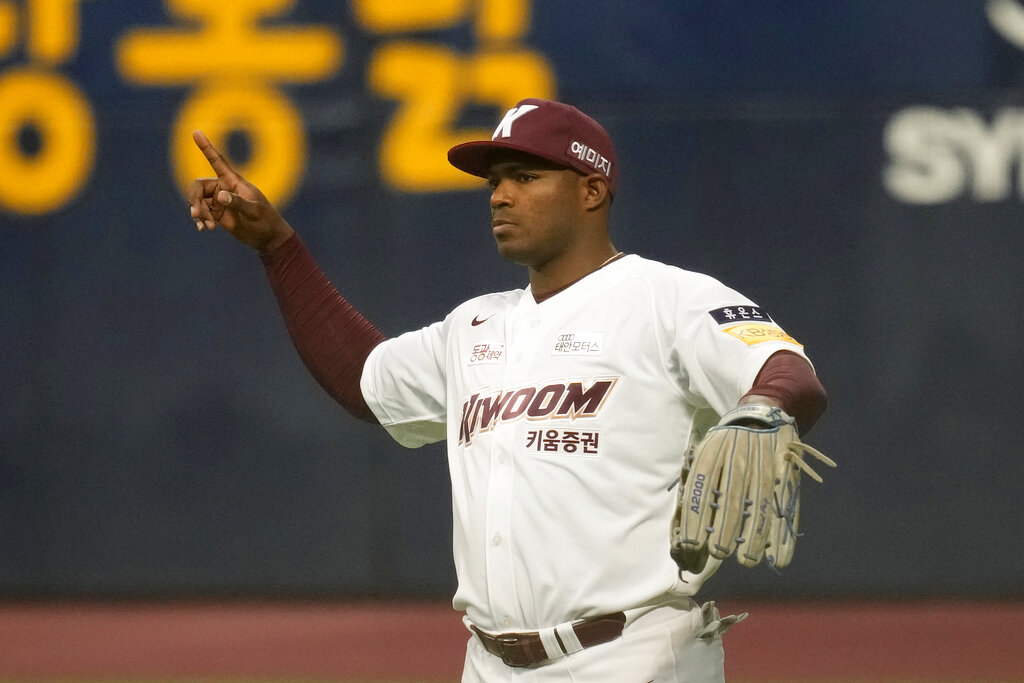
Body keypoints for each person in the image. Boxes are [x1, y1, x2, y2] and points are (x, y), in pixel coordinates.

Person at [188, 98, 827, 682]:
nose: (499, 197)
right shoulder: (475, 325)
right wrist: (278, 245)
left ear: (592, 191)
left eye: (525, 177)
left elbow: (785, 368)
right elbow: (365, 381)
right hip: (489, 664)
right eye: (494, 182)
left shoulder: (665, 298)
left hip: (633, 658)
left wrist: (763, 407)